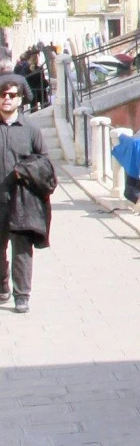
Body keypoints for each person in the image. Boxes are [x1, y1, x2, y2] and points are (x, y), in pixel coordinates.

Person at [0, 70, 55, 313]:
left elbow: (45, 162)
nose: (6, 99)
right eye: (2, 95)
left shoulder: (31, 129)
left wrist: (24, 170)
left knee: (22, 249)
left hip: (22, 200)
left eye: (11, 95)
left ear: (20, 99)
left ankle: (22, 294)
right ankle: (3, 286)